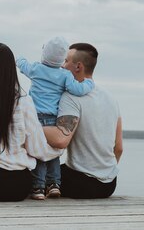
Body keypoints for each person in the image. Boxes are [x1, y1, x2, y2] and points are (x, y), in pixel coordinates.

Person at [0, 43, 61, 202]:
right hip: (12, 186)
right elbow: (38, 150)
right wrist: (59, 150)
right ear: (11, 71)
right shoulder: (23, 102)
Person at [15, 36, 95, 200]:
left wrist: (19, 57)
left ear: (44, 54)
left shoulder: (36, 68)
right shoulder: (65, 75)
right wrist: (89, 83)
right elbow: (77, 90)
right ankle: (54, 185)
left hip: (35, 118)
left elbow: (23, 66)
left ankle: (38, 188)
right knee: (54, 153)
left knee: (38, 152)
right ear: (62, 59)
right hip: (53, 119)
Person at [44, 42, 123, 199]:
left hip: (81, 184)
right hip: (109, 184)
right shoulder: (111, 98)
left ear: (78, 67)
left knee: (36, 177)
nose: (62, 65)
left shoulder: (71, 96)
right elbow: (119, 148)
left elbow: (61, 140)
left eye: (66, 61)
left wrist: (30, 126)